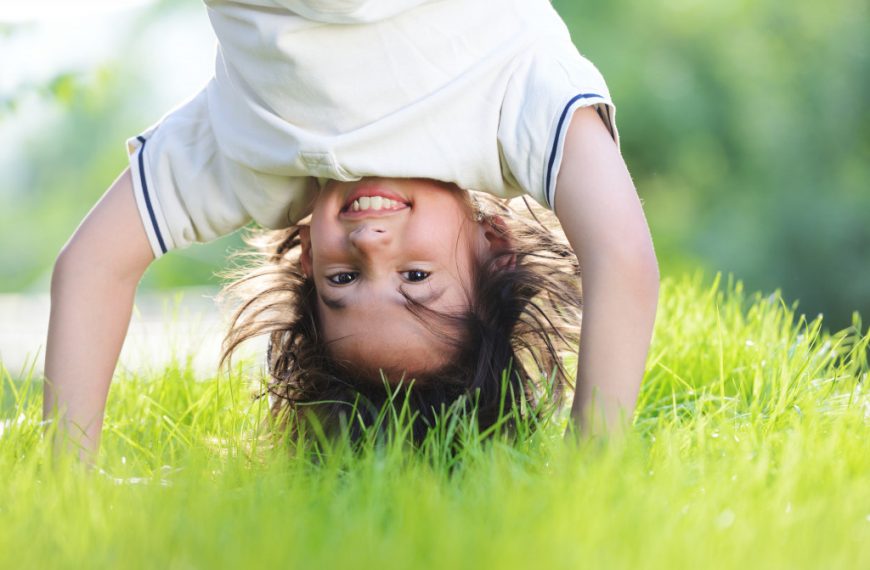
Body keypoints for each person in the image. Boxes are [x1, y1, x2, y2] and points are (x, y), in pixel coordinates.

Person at [44, 0, 659, 458]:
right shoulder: (513, 106)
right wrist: (591, 472)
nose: (370, 246)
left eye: (343, 279)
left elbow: (91, 269)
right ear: (493, 246)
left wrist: (69, 481)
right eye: (416, 277)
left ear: (306, 257)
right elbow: (621, 255)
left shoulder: (256, 161)